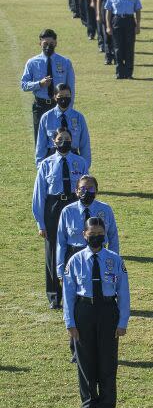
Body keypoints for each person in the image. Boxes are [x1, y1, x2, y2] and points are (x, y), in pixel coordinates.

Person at [63, 217, 130, 408]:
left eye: (100, 234)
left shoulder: (115, 260)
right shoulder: (75, 261)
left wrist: (122, 321)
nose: (96, 237)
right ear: (84, 235)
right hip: (84, 311)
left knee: (107, 364)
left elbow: (124, 293)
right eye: (92, 234)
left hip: (108, 311)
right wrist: (70, 322)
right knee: (86, 365)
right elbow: (69, 294)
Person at [33, 128, 89, 309]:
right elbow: (39, 195)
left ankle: (80, 292)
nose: (64, 141)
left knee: (76, 247)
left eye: (67, 138)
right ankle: (54, 296)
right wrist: (40, 223)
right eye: (60, 138)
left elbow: (87, 187)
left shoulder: (80, 163)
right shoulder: (46, 164)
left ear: (72, 141)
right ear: (54, 141)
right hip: (54, 207)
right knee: (52, 252)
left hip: (74, 206)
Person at [57, 175, 119, 292]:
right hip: (74, 254)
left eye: (91, 188)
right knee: (74, 292)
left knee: (100, 289)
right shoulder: (68, 211)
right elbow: (61, 242)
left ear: (96, 190)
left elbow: (113, 237)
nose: (86, 191)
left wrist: (113, 261)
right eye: (83, 188)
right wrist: (60, 271)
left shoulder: (105, 209)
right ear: (76, 191)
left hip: (99, 254)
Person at [21, 29, 76, 142]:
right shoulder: (32, 63)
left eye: (51, 44)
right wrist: (39, 84)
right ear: (40, 43)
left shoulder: (65, 62)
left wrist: (69, 109)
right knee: (40, 139)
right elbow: (24, 84)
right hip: (40, 106)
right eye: (45, 44)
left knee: (60, 139)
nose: (48, 46)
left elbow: (71, 88)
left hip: (60, 106)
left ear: (56, 43)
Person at [35, 83, 91, 166]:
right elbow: (41, 145)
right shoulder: (46, 117)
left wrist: (85, 166)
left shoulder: (79, 117)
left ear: (71, 96)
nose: (64, 99)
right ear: (55, 97)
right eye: (60, 96)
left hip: (74, 160)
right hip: (52, 160)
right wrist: (40, 165)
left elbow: (84, 144)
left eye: (67, 95)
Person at [104, 0, 142, 80]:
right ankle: (120, 73)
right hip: (117, 21)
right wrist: (108, 26)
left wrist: (138, 25)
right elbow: (108, 12)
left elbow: (138, 11)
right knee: (118, 48)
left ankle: (129, 73)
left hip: (129, 21)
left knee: (129, 48)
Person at [95, 0, 121, 65]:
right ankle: (108, 56)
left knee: (117, 34)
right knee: (106, 33)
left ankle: (117, 56)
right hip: (105, 7)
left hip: (117, 9)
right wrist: (98, 14)